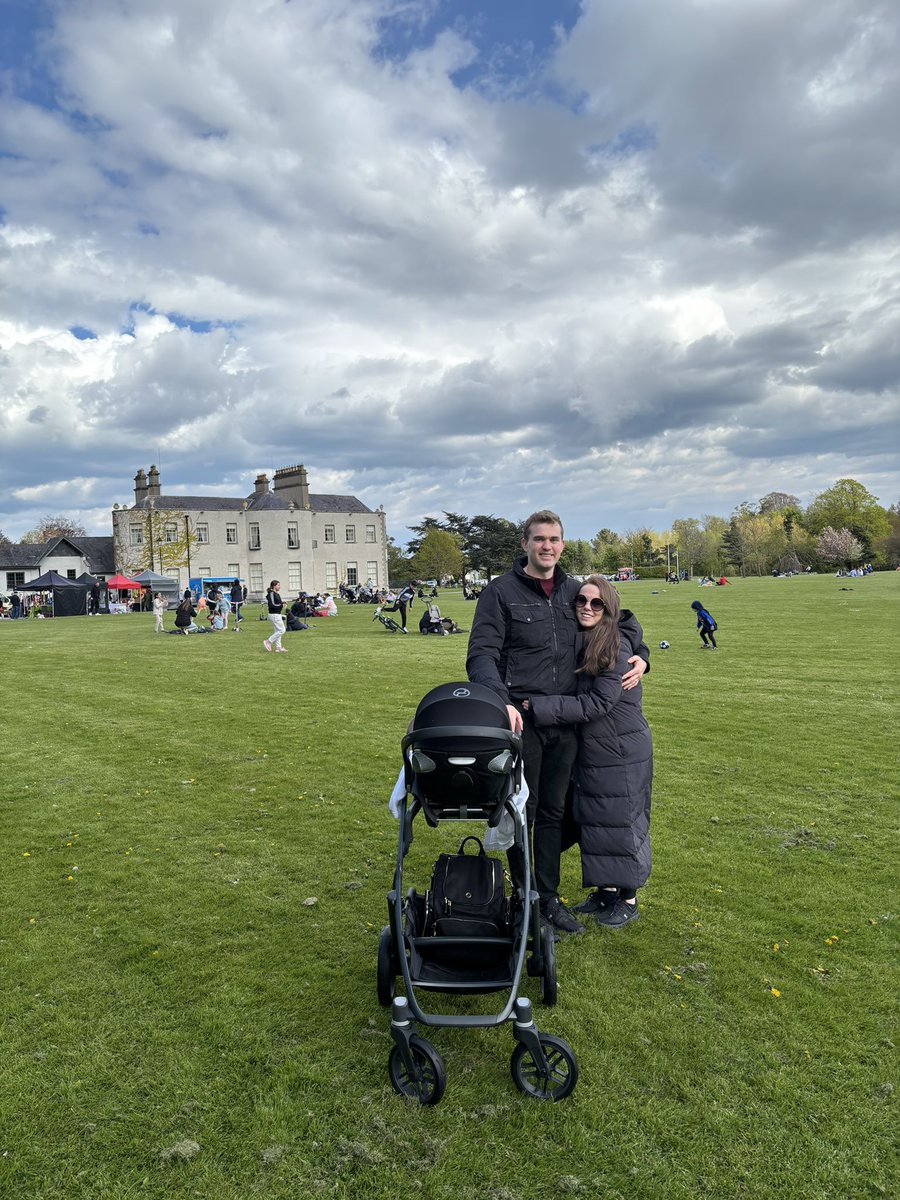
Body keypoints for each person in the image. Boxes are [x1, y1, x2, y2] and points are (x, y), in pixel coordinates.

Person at [467, 509, 649, 934]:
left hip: (565, 722)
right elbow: (481, 654)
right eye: (538, 539)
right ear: (525, 544)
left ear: (562, 545)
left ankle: (547, 897)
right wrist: (500, 702)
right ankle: (523, 895)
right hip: (521, 721)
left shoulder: (574, 591)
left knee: (554, 811)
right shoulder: (500, 592)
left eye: (554, 539)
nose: (546, 546)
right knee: (520, 811)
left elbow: (622, 619)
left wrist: (645, 655)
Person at [524, 575, 652, 929]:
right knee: (597, 819)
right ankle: (606, 890)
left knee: (620, 819)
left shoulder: (615, 644)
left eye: (596, 603)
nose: (587, 607)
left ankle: (627, 898)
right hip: (598, 747)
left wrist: (540, 707)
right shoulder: (588, 638)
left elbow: (599, 702)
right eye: (581, 601)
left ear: (609, 608)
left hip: (620, 746)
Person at [264, 579, 286, 653]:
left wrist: (282, 603)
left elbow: (277, 603)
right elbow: (272, 605)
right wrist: (281, 605)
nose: (280, 587)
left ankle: (278, 647)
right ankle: (268, 641)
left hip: (277, 614)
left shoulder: (276, 594)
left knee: (277, 631)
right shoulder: (271, 594)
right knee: (282, 630)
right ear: (274, 586)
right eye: (278, 585)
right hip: (274, 614)